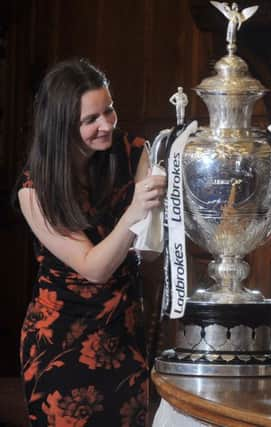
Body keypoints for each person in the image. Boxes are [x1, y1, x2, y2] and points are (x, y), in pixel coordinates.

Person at [14, 59, 166, 426]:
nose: (107, 124)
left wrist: (163, 210)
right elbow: (94, 267)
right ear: (63, 126)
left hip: (124, 331)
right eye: (91, 120)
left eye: (109, 110)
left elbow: (149, 247)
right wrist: (134, 213)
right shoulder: (34, 190)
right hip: (61, 340)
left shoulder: (133, 153)